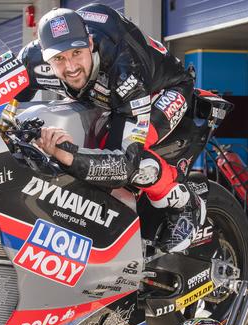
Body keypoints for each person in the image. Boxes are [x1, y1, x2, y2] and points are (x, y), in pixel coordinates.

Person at [16, 4, 213, 252]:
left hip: (160, 91)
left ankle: (184, 202)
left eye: (77, 53)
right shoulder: (30, 60)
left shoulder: (124, 67)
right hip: (105, 97)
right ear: (44, 57)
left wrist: (65, 154)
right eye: (59, 59)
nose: (70, 66)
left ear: (89, 42)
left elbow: (124, 163)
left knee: (134, 164)